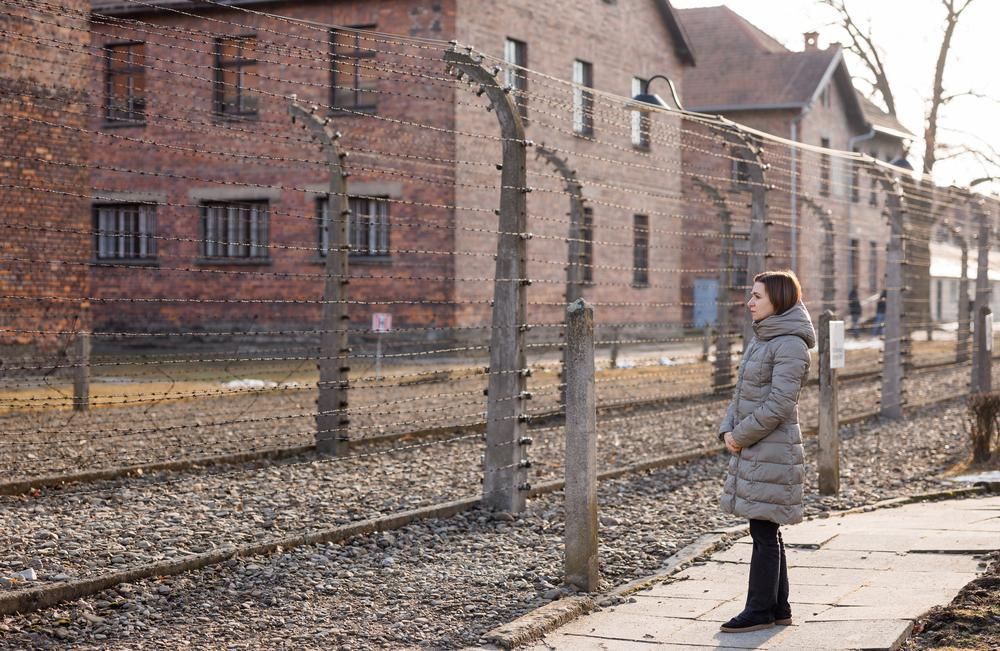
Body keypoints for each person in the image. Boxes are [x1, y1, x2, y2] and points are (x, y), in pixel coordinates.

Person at [717, 270, 815, 633]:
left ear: (779, 300)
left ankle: (759, 611)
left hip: (772, 449)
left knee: (763, 530)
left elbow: (779, 404)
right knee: (765, 528)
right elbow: (743, 393)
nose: (750, 302)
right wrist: (729, 428)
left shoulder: (789, 343)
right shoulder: (764, 338)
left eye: (758, 296)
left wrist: (740, 435)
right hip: (758, 447)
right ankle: (778, 609)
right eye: (751, 295)